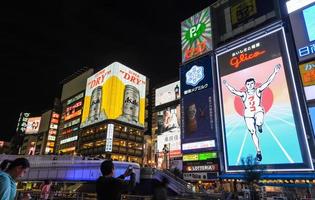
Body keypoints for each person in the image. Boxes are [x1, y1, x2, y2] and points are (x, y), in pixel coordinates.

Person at [223, 64, 281, 161]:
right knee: (252, 132)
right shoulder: (243, 94)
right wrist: (227, 84)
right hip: (248, 114)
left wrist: (275, 72)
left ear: (254, 84)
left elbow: (268, 82)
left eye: (251, 84)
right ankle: (258, 151)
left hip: (258, 111)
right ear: (246, 86)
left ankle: (260, 125)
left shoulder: (258, 91)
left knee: (258, 122)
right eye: (248, 84)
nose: (250, 85)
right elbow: (234, 91)